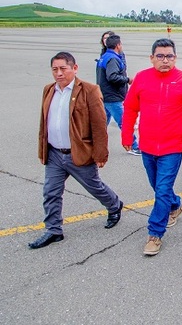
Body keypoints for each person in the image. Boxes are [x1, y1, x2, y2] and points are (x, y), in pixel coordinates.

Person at [29, 52, 124, 249]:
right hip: (55, 153)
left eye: (63, 68)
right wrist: (42, 150)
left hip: (78, 152)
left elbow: (99, 125)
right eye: (55, 69)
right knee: (50, 192)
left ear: (74, 68)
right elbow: (43, 123)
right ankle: (54, 230)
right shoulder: (49, 90)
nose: (59, 73)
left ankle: (114, 205)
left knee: (94, 187)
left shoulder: (89, 90)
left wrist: (100, 154)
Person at [122, 38, 182, 256]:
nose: (165, 60)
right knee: (158, 187)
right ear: (152, 58)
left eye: (169, 56)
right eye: (160, 56)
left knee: (161, 190)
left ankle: (155, 234)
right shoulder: (142, 78)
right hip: (147, 145)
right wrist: (127, 135)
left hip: (172, 146)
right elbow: (130, 108)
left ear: (175, 58)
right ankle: (175, 205)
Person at [96, 34, 140, 156]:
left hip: (104, 94)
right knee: (124, 122)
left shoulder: (104, 57)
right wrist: (127, 79)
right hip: (112, 97)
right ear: (118, 45)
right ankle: (133, 145)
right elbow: (112, 76)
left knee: (102, 122)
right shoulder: (113, 59)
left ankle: (93, 143)